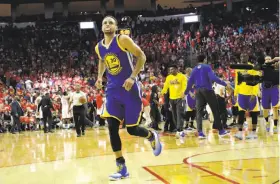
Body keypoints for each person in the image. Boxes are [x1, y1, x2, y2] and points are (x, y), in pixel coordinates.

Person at [94, 16, 162, 181]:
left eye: (111, 22)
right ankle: (121, 166)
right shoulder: (98, 47)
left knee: (132, 129)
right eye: (105, 22)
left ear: (116, 27)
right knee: (111, 127)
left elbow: (142, 56)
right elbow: (102, 61)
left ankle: (151, 136)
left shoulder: (122, 39)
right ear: (101, 27)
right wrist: (99, 77)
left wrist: (132, 77)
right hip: (112, 90)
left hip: (130, 89)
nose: (107, 24)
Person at [185, 55, 231, 139]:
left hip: (198, 91)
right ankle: (221, 131)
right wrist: (225, 84)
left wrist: (185, 92)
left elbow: (189, 83)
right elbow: (213, 78)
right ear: (205, 59)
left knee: (198, 112)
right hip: (208, 90)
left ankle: (200, 133)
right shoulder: (207, 67)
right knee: (215, 110)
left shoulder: (194, 69)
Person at [234, 53, 261, 140]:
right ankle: (240, 132)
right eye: (241, 56)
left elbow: (256, 81)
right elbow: (236, 82)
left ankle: (253, 132)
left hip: (251, 94)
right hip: (241, 94)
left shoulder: (253, 67)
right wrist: (235, 93)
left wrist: (254, 93)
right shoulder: (238, 68)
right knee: (240, 113)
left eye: (244, 56)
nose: (242, 57)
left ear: (248, 57)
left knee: (253, 114)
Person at [161, 65, 187, 138]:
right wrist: (162, 92)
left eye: (172, 69)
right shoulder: (169, 77)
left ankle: (180, 130)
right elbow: (166, 86)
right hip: (171, 99)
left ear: (176, 69)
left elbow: (185, 86)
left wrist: (183, 92)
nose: (170, 71)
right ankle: (178, 129)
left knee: (179, 114)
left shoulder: (182, 76)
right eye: (170, 70)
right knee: (174, 115)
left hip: (180, 98)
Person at [262, 56, 279, 133]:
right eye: (266, 60)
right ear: (264, 61)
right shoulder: (262, 68)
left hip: (274, 89)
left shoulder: (275, 68)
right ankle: (267, 123)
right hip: (265, 90)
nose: (268, 61)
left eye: (269, 59)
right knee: (265, 109)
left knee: (275, 108)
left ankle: (275, 126)